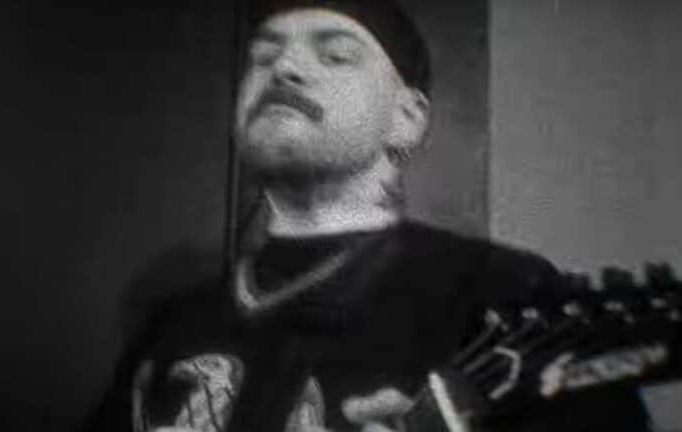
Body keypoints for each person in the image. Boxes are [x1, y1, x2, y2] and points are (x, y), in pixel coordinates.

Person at [86, 1, 651, 431]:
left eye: (335, 54)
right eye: (262, 57)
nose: (284, 67)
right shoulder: (173, 322)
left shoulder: (509, 296)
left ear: (406, 118)